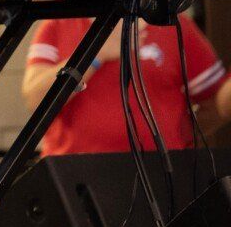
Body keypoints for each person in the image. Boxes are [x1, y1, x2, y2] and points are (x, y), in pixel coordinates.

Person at [21, 11, 231, 155]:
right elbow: (35, 100)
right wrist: (96, 52)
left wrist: (177, 136)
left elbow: (217, 104)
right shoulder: (57, 24)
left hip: (160, 175)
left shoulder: (176, 24)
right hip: (74, 176)